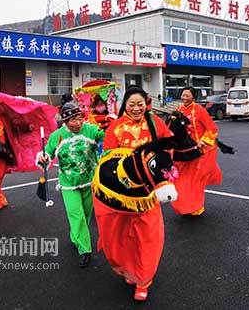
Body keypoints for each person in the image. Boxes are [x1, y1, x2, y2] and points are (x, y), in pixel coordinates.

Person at [95, 86, 173, 301]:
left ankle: (143, 280)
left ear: (146, 104)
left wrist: (163, 173)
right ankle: (129, 269)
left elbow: (168, 148)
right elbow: (108, 159)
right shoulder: (116, 127)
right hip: (124, 195)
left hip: (148, 195)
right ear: (125, 105)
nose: (136, 108)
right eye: (132, 104)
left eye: (140, 104)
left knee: (148, 238)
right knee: (120, 238)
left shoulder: (155, 123)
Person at [37, 102, 104, 268]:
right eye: (74, 120)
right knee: (76, 215)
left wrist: (111, 127)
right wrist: (43, 158)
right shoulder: (57, 136)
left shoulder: (90, 129)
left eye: (80, 118)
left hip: (89, 181)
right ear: (65, 121)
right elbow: (47, 153)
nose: (78, 123)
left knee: (86, 215)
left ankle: (76, 236)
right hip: (68, 184)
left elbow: (106, 137)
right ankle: (85, 250)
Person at [170, 87, 222, 216]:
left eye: (187, 95)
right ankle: (185, 205)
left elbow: (212, 129)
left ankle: (196, 206)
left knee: (195, 182)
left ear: (193, 97)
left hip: (199, 152)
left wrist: (203, 142)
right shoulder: (179, 109)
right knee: (182, 181)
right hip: (184, 152)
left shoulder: (200, 110)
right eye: (183, 95)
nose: (184, 98)